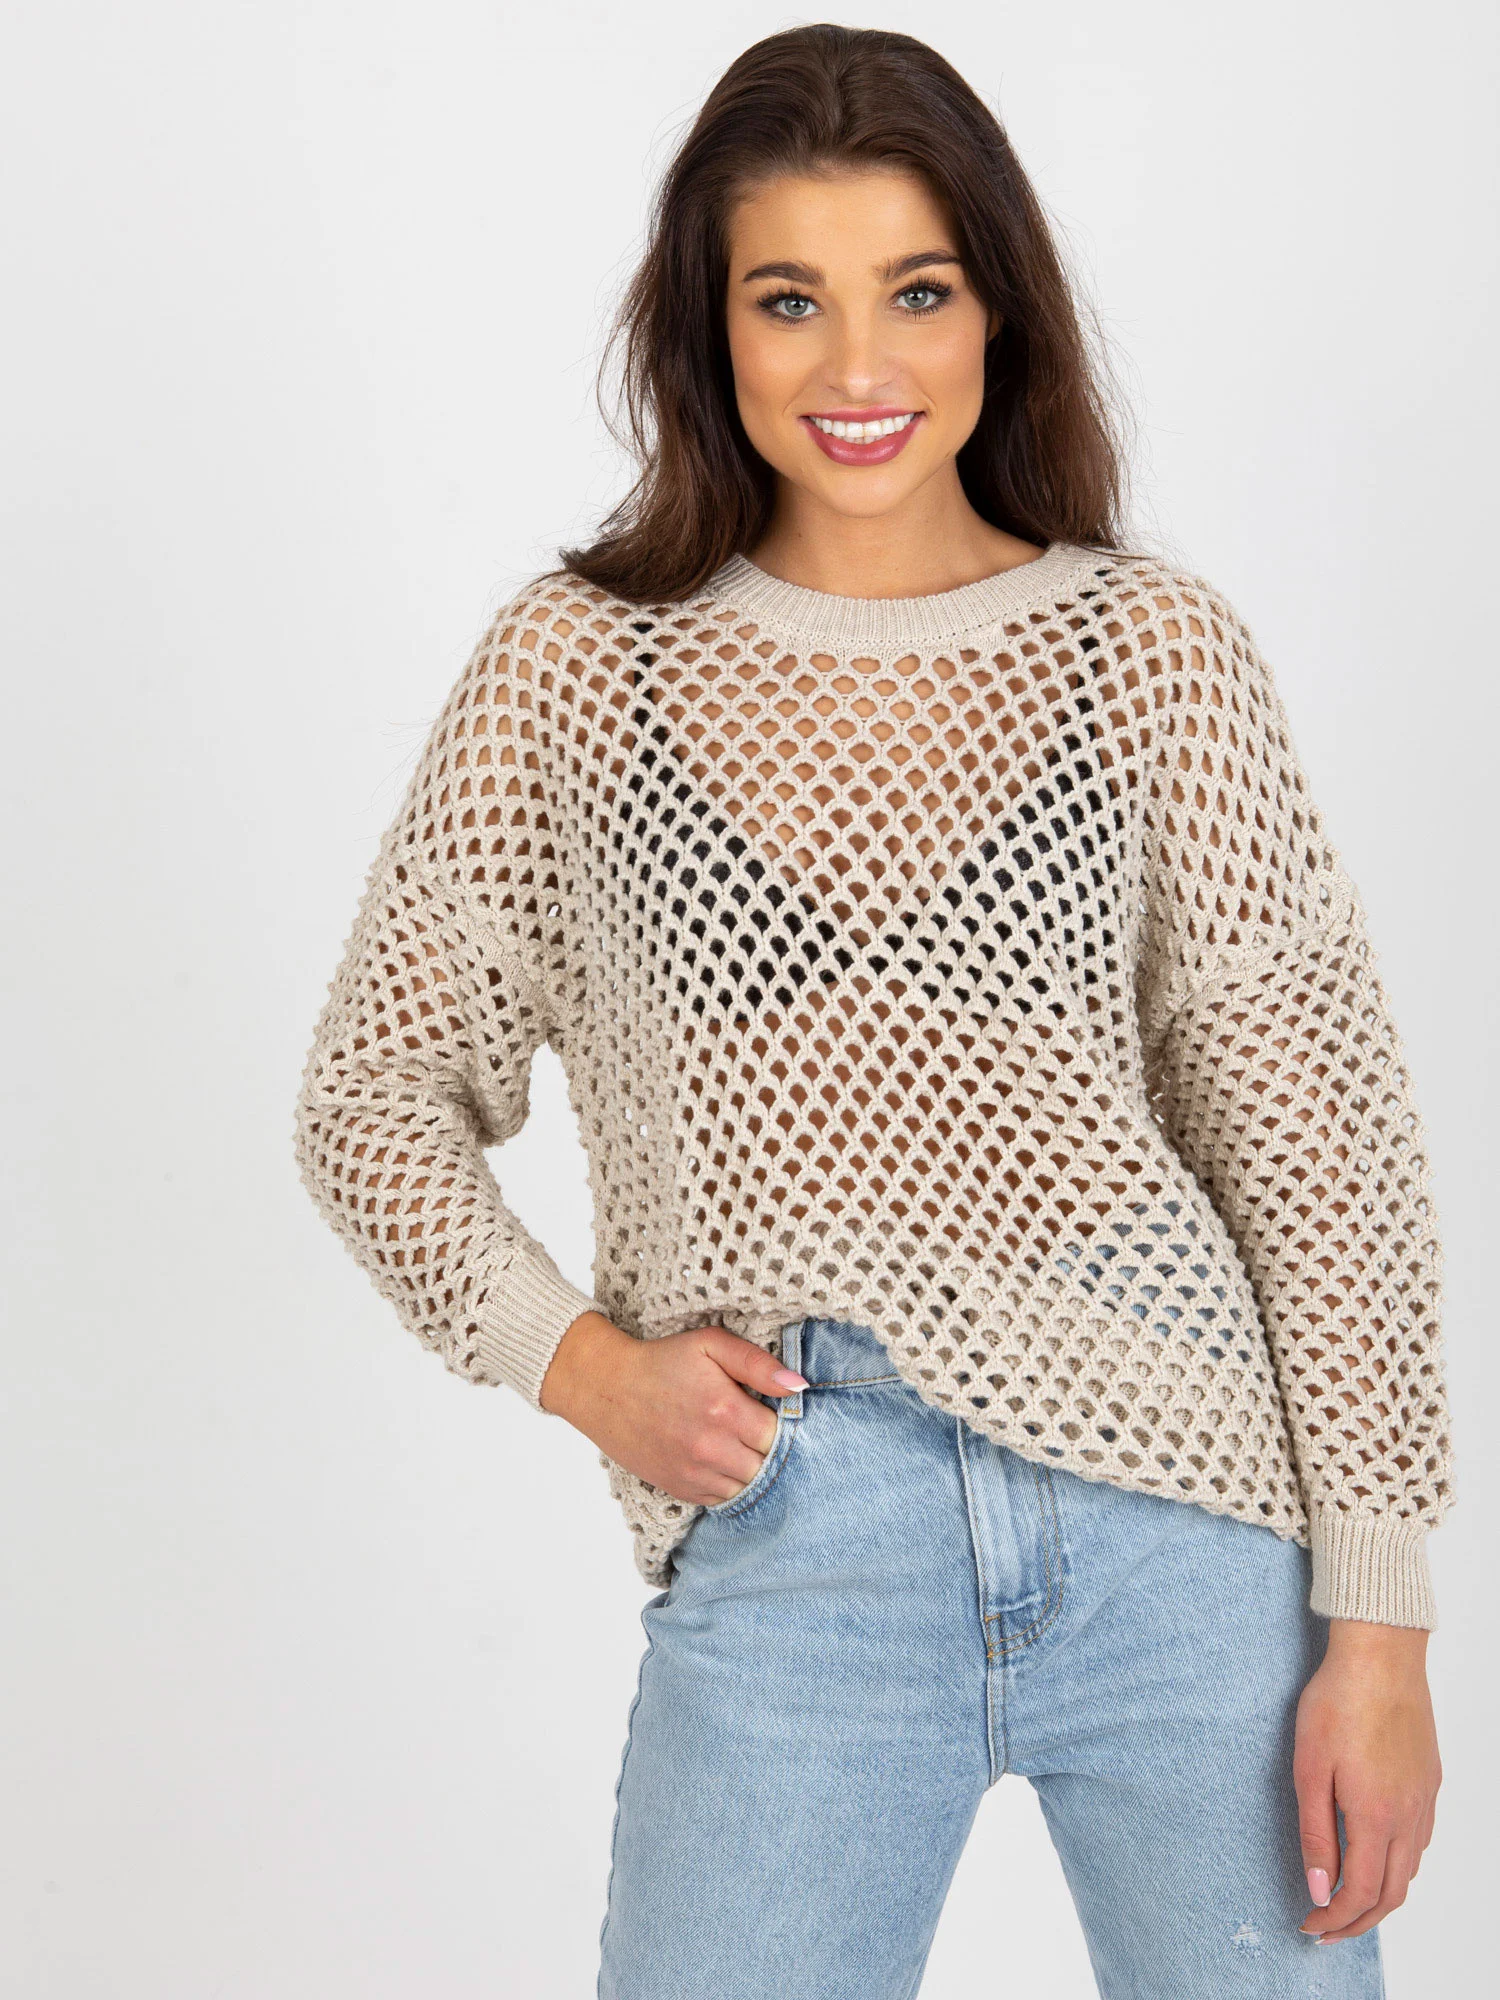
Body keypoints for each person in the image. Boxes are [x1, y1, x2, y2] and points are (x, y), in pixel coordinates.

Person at [291, 24, 1453, 1998]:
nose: (857, 367)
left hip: (1181, 1516)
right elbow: (372, 1096)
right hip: (795, 1532)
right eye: (788, 300)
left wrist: (1383, 1630)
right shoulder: (579, 671)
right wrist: (586, 1367)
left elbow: (1321, 1159)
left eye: (917, 291)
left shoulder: (1149, 653)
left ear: (998, 310)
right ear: (708, 326)